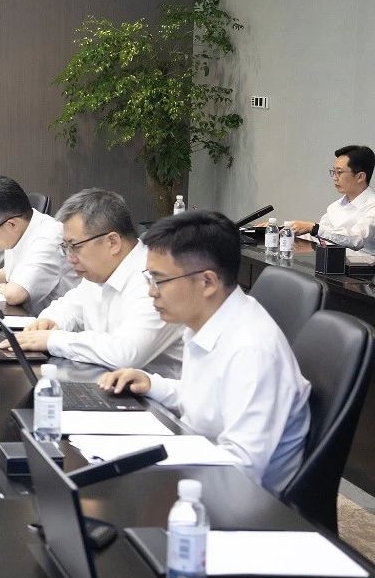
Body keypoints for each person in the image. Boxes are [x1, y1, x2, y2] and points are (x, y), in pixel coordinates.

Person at [98, 210, 311, 492]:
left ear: (207, 282)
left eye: (159, 280)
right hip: (199, 465)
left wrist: (154, 460)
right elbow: (210, 400)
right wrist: (152, 384)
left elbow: (241, 467)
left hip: (238, 501)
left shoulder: (251, 351)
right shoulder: (208, 320)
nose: (151, 291)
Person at [8, 188, 183, 376]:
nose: (70, 258)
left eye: (75, 246)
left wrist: (52, 340)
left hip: (153, 392)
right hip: (106, 382)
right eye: (65, 247)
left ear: (112, 242)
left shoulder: (154, 280)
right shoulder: (99, 272)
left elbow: (126, 354)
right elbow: (70, 306)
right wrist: (50, 321)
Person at [0, 174, 77, 310]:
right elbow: (13, 273)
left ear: (12, 224)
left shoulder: (48, 237)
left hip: (48, 319)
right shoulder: (22, 227)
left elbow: (14, 294)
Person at [286, 144, 375, 255]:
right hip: (333, 263)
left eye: (339, 172)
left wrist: (314, 228)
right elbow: (319, 236)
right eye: (334, 172)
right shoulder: (335, 207)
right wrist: (282, 230)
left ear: (360, 177)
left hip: (363, 265)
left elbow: (357, 239)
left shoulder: (372, 206)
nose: (334, 178)